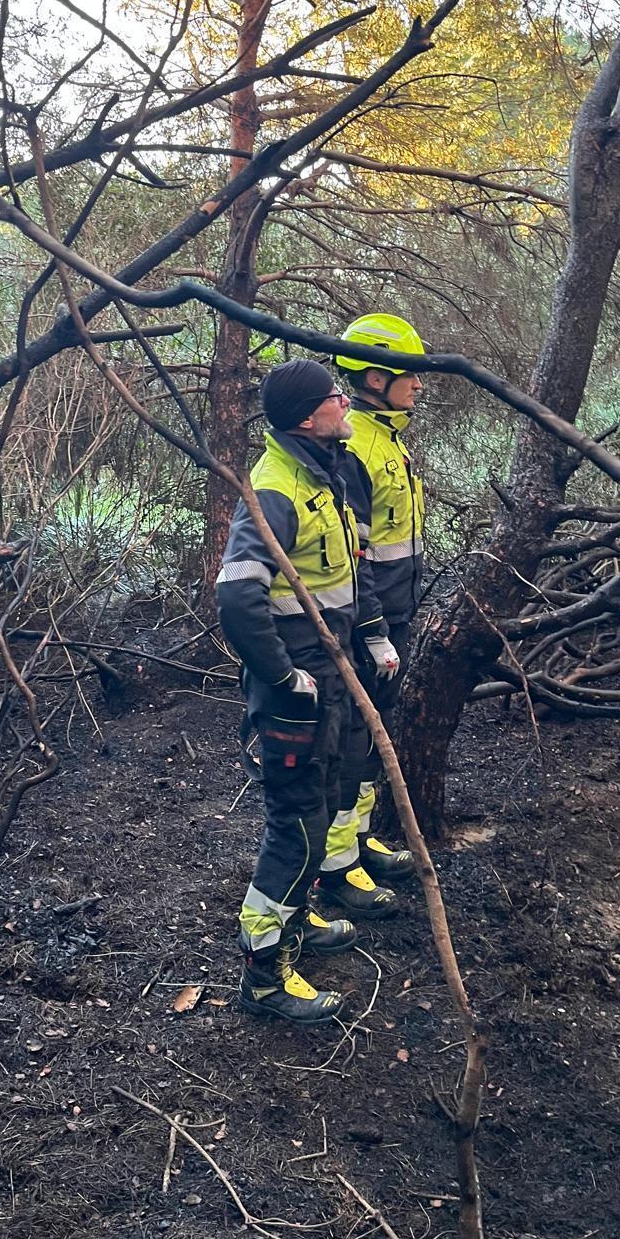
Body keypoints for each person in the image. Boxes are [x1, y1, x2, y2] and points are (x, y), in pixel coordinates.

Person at [216, 358, 396, 1023]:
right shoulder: (276, 490)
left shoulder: (327, 476)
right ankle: (263, 978)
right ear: (304, 416)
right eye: (333, 396)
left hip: (332, 678)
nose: (345, 401)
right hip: (295, 691)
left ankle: (300, 923)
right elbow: (238, 596)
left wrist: (373, 637)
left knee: (323, 807)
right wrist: (284, 678)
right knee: (294, 830)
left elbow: (352, 576)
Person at [330, 313, 427, 891]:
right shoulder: (354, 450)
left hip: (396, 611)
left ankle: (361, 842)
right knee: (353, 737)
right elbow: (352, 555)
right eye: (408, 374)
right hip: (370, 619)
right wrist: (372, 628)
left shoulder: (385, 437)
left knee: (374, 735)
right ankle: (337, 867)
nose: (418, 383)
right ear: (373, 379)